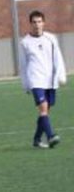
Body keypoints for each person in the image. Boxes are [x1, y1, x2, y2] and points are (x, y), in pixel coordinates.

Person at [19, 10, 67, 149]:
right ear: (30, 24)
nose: (37, 25)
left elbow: (58, 58)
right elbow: (23, 66)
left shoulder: (51, 38)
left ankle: (37, 139)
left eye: (39, 21)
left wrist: (61, 75)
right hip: (36, 80)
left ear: (44, 23)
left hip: (50, 80)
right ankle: (51, 135)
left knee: (45, 112)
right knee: (43, 108)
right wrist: (25, 84)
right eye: (34, 22)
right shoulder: (25, 43)